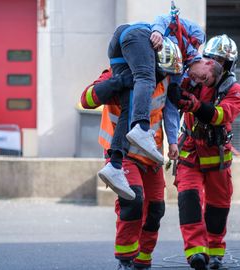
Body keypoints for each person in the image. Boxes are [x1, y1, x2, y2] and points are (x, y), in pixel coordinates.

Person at [97, 4, 205, 201]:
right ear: (205, 62)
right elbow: (167, 19)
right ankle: (141, 127)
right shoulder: (196, 39)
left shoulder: (179, 73)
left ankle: (114, 165)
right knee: (145, 78)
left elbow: (171, 110)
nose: (198, 80)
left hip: (120, 51)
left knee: (128, 105)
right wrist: (156, 30)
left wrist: (172, 141)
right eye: (203, 77)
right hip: (134, 34)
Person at [81, 65, 179, 269]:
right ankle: (125, 260)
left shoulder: (165, 81)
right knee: (132, 201)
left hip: (151, 157)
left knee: (156, 209)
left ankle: (143, 260)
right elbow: (87, 100)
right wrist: (117, 82)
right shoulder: (115, 72)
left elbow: (169, 110)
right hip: (122, 154)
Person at [167, 35, 239, 270]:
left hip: (218, 156)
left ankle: (216, 251)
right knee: (189, 200)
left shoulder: (233, 89)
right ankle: (196, 252)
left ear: (228, 65)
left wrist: (195, 106)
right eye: (210, 58)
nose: (213, 64)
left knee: (218, 206)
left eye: (220, 60)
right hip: (190, 152)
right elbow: (173, 87)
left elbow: (220, 115)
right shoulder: (192, 79)